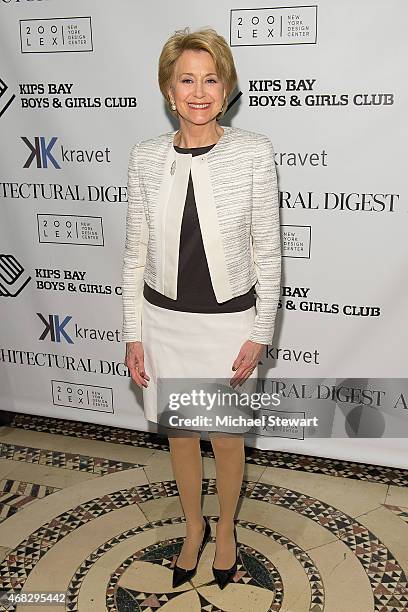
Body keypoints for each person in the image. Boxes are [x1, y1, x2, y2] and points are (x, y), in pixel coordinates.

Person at [121, 27, 281, 590]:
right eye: (186, 79)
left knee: (227, 437)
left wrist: (259, 332)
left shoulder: (254, 152)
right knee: (182, 435)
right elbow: (134, 253)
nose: (198, 91)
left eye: (210, 79)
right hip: (163, 319)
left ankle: (228, 527)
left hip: (229, 322)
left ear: (226, 87)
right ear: (168, 90)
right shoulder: (144, 158)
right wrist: (133, 334)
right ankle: (193, 528)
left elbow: (270, 252)